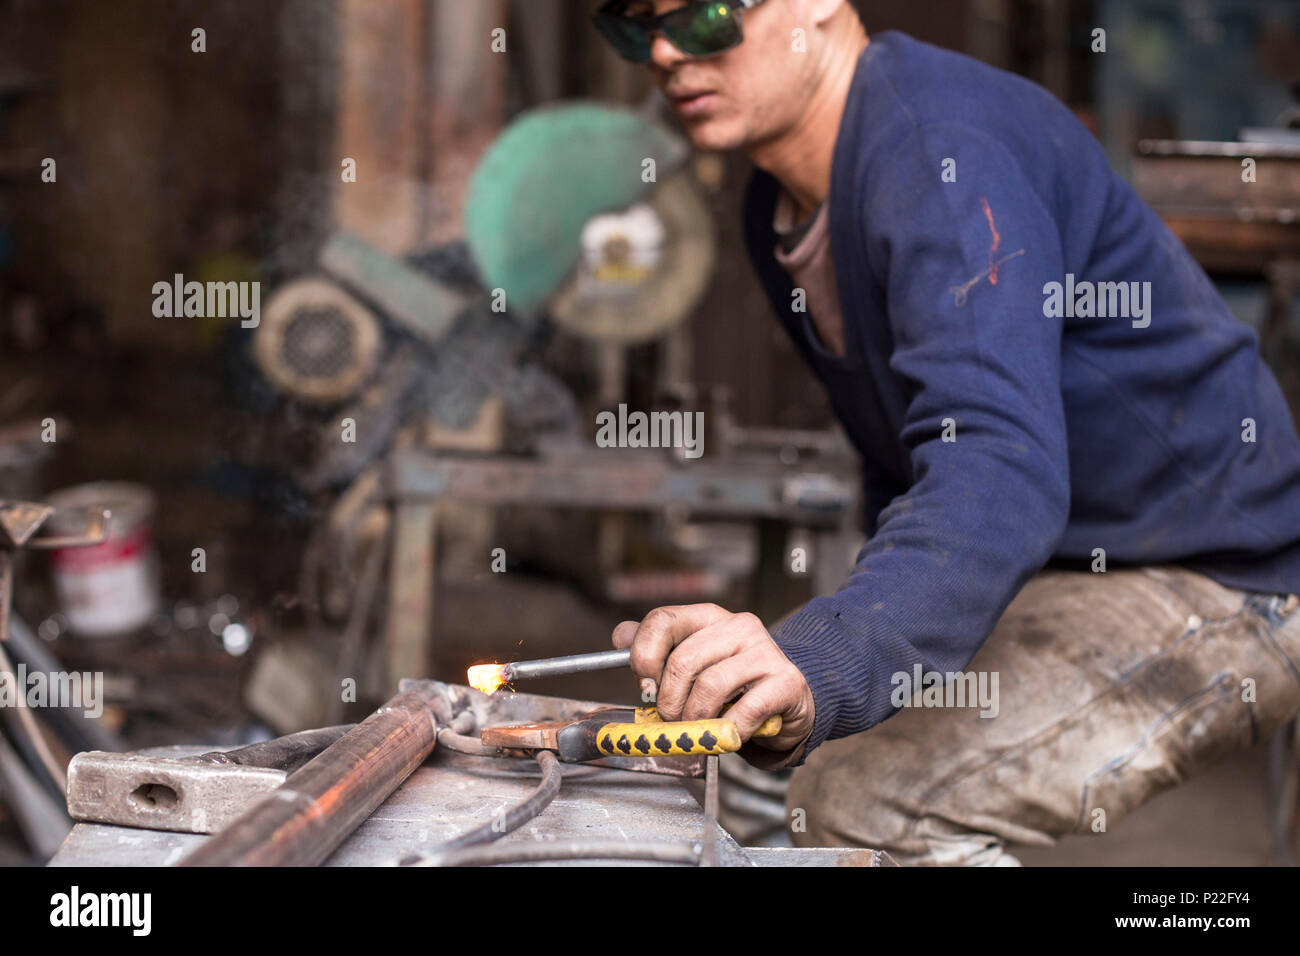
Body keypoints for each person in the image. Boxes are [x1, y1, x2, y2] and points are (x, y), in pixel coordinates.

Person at [595, 0, 1300, 864]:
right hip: (1065, 565)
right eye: (635, 29)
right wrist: (814, 658)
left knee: (868, 800)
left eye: (705, 16)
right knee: (759, 771)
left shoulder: (942, 152)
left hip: (1226, 575)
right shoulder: (774, 209)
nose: (666, 52)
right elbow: (911, 465)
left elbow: (997, 467)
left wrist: (826, 656)